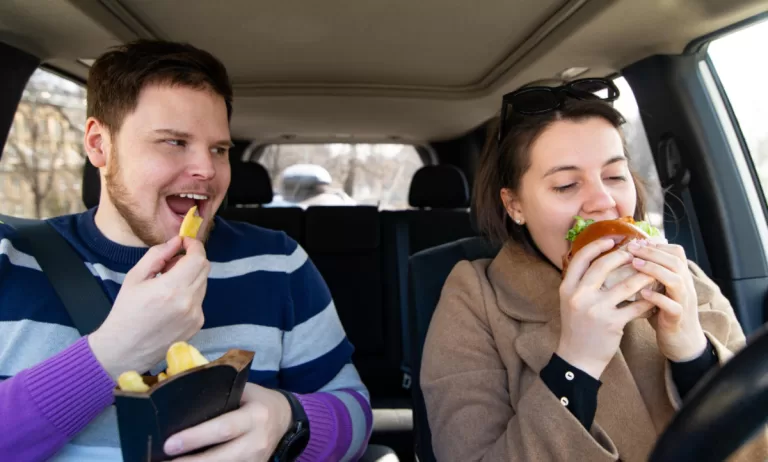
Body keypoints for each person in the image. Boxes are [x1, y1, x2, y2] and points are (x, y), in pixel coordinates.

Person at [0, 40, 372, 462]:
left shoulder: (277, 262)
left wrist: (290, 421)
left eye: (219, 149)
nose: (207, 170)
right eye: (174, 142)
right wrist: (109, 355)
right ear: (99, 145)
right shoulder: (9, 258)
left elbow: (356, 413)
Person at [419, 80, 768, 462]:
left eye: (616, 176)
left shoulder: (684, 277)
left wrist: (693, 354)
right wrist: (575, 363)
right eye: (567, 184)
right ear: (514, 203)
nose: (603, 202)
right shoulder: (473, 300)